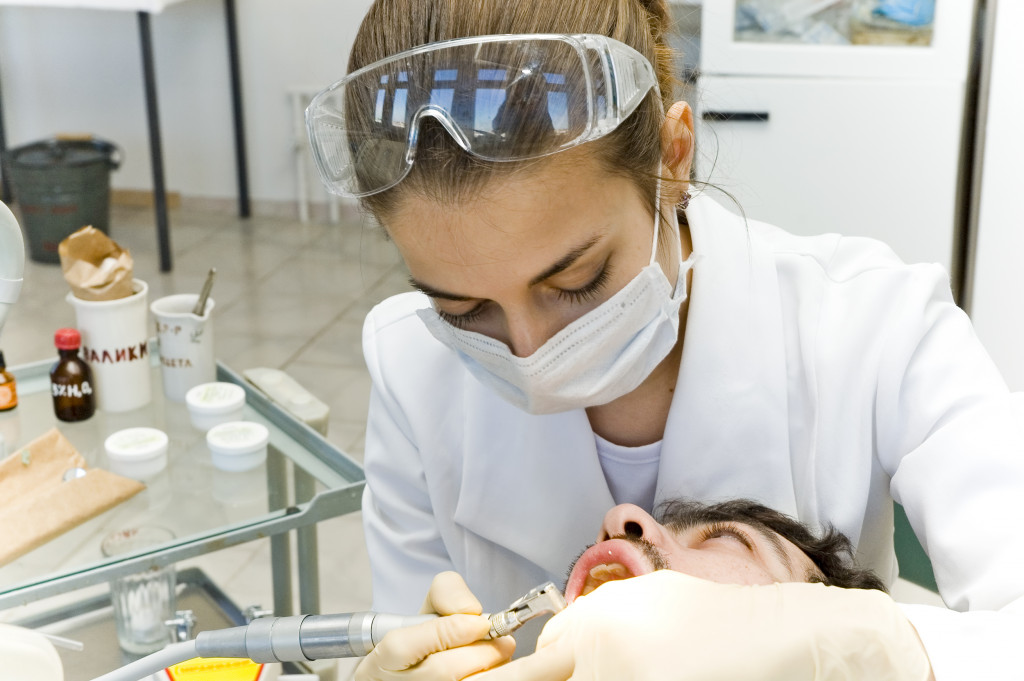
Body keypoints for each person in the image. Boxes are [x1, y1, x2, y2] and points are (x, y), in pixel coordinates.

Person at [305, 0, 1024, 678]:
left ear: (673, 160)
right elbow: (414, 618)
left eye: (578, 280)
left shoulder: (875, 323)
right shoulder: (409, 363)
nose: (528, 350)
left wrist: (866, 648)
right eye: (465, 309)